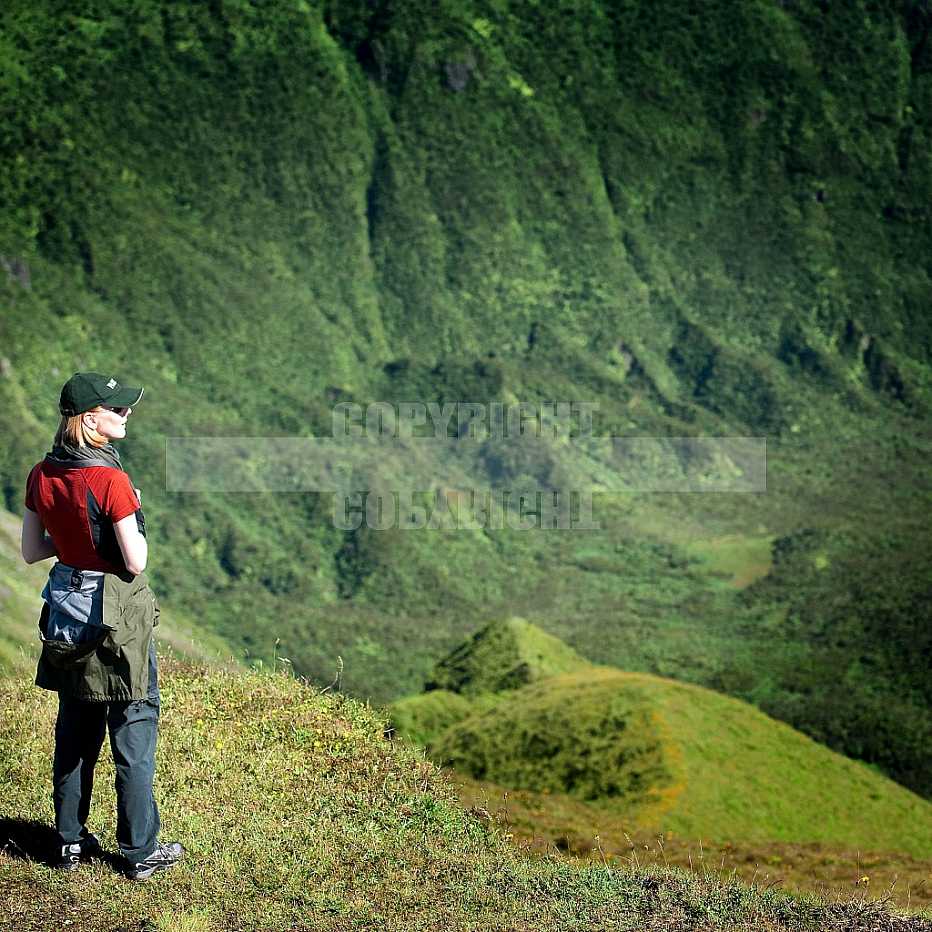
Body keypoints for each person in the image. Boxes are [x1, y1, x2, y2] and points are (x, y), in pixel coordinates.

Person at [20, 371, 185, 881]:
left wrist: (75, 546)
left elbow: (31, 551)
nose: (126, 413)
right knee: (133, 729)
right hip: (119, 611)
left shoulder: (42, 474)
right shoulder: (111, 481)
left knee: (75, 727)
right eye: (117, 409)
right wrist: (132, 514)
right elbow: (135, 561)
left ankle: (69, 841)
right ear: (90, 419)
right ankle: (140, 851)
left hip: (68, 607)